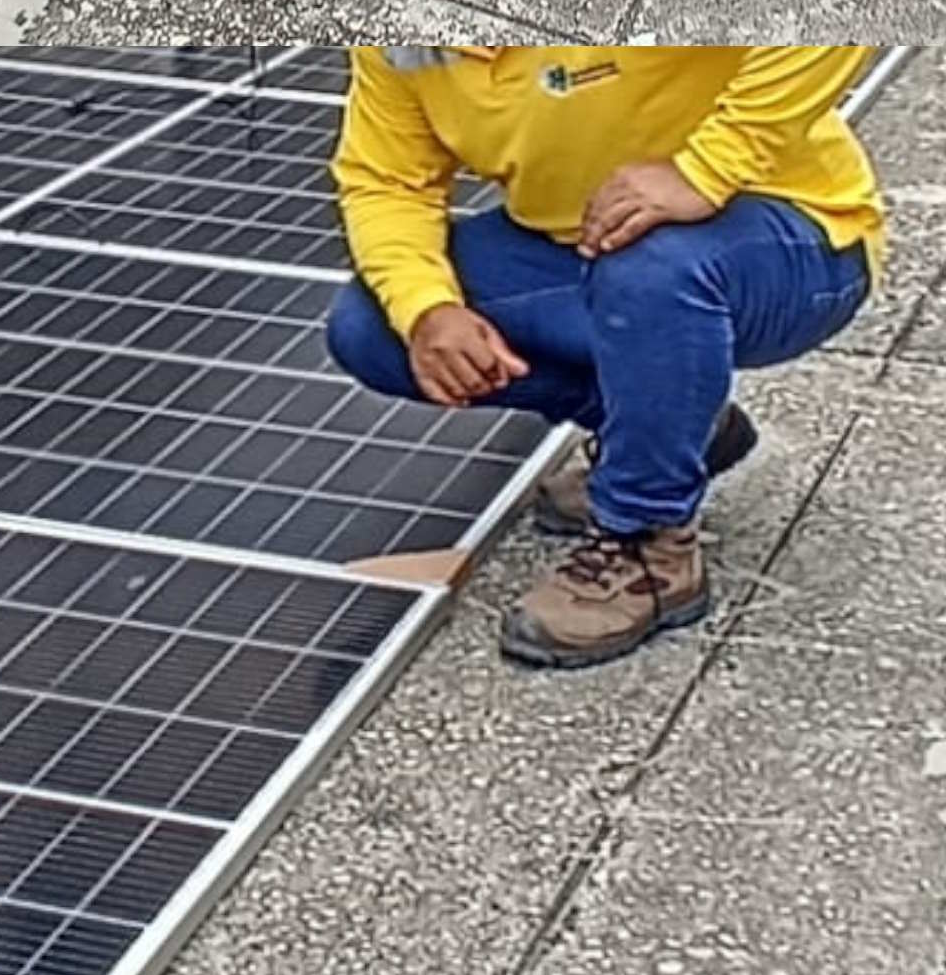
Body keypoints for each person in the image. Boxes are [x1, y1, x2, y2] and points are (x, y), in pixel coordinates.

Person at [326, 45, 882, 670]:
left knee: (653, 270)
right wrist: (426, 308)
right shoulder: (403, 36)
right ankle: (669, 432)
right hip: (593, 250)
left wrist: (704, 170)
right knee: (374, 325)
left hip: (791, 241)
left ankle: (647, 544)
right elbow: (385, 180)